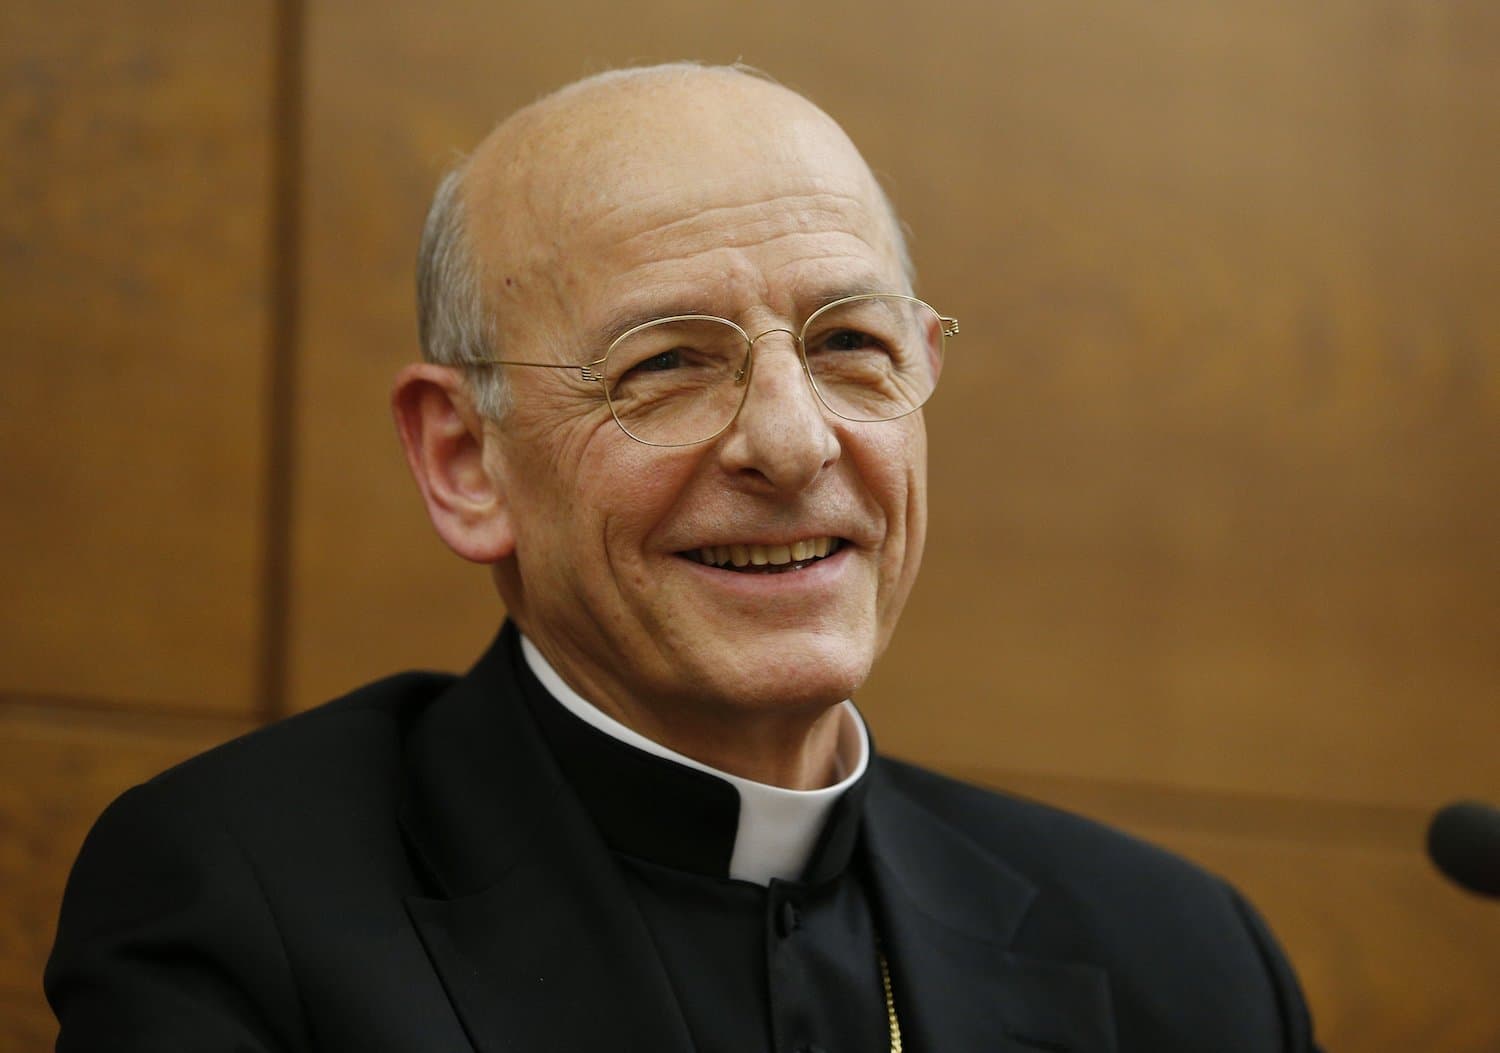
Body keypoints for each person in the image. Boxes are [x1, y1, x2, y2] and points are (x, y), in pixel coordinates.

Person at [47, 63, 1320, 1052]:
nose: (793, 442)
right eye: (665, 363)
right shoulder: (244, 907)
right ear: (465, 459)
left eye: (850, 345)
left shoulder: (1181, 961)